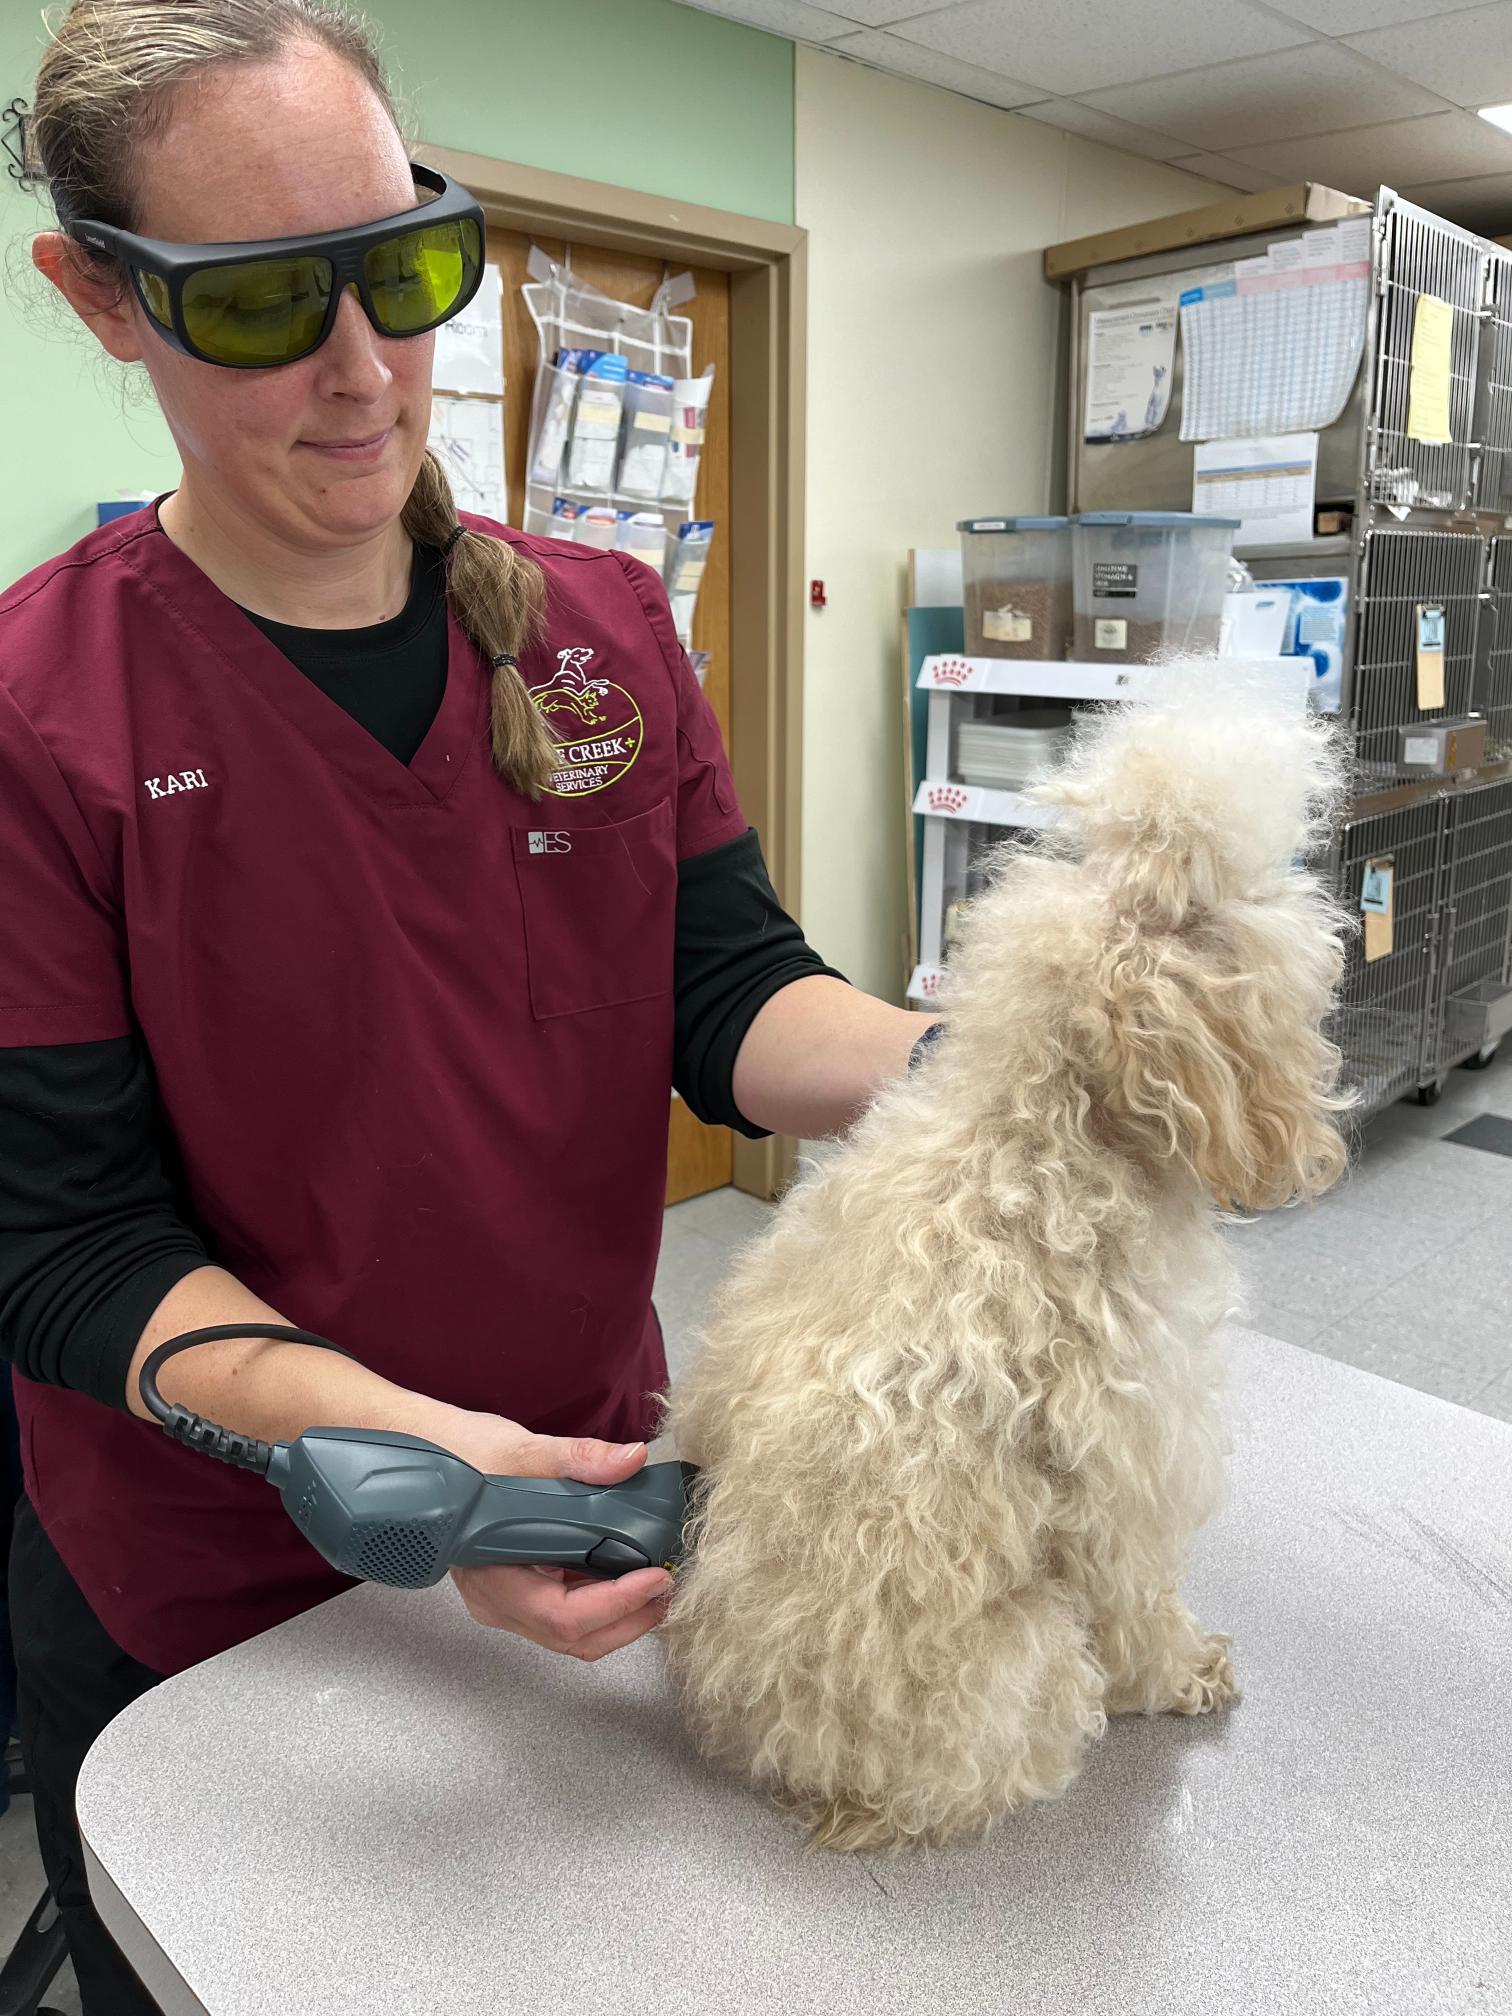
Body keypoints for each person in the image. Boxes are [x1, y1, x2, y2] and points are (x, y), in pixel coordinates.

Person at [0, 3, 935, 2008]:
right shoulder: (43, 717)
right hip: (227, 1589)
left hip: (590, 1524)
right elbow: (66, 1247)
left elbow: (730, 995)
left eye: (410, 268)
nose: (364, 371)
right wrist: (407, 1456)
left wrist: (988, 1085)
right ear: (97, 298)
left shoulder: (596, 630)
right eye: (259, 306)